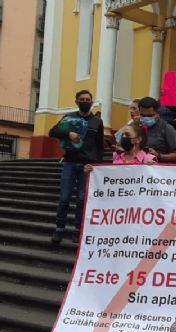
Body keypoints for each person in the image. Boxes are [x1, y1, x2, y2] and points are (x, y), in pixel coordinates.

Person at [49, 90, 104, 244]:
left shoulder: (97, 122)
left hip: (87, 165)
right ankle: (59, 229)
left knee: (81, 200)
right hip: (70, 162)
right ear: (76, 101)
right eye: (82, 99)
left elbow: (100, 146)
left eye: (88, 99)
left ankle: (77, 230)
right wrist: (68, 134)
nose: (85, 101)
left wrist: (97, 165)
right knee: (64, 198)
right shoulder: (69, 118)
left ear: (92, 102)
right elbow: (52, 131)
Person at [138, 96, 176, 163]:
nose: (146, 118)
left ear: (157, 114)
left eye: (150, 116)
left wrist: (158, 155)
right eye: (143, 116)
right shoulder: (134, 126)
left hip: (156, 169)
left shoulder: (167, 128)